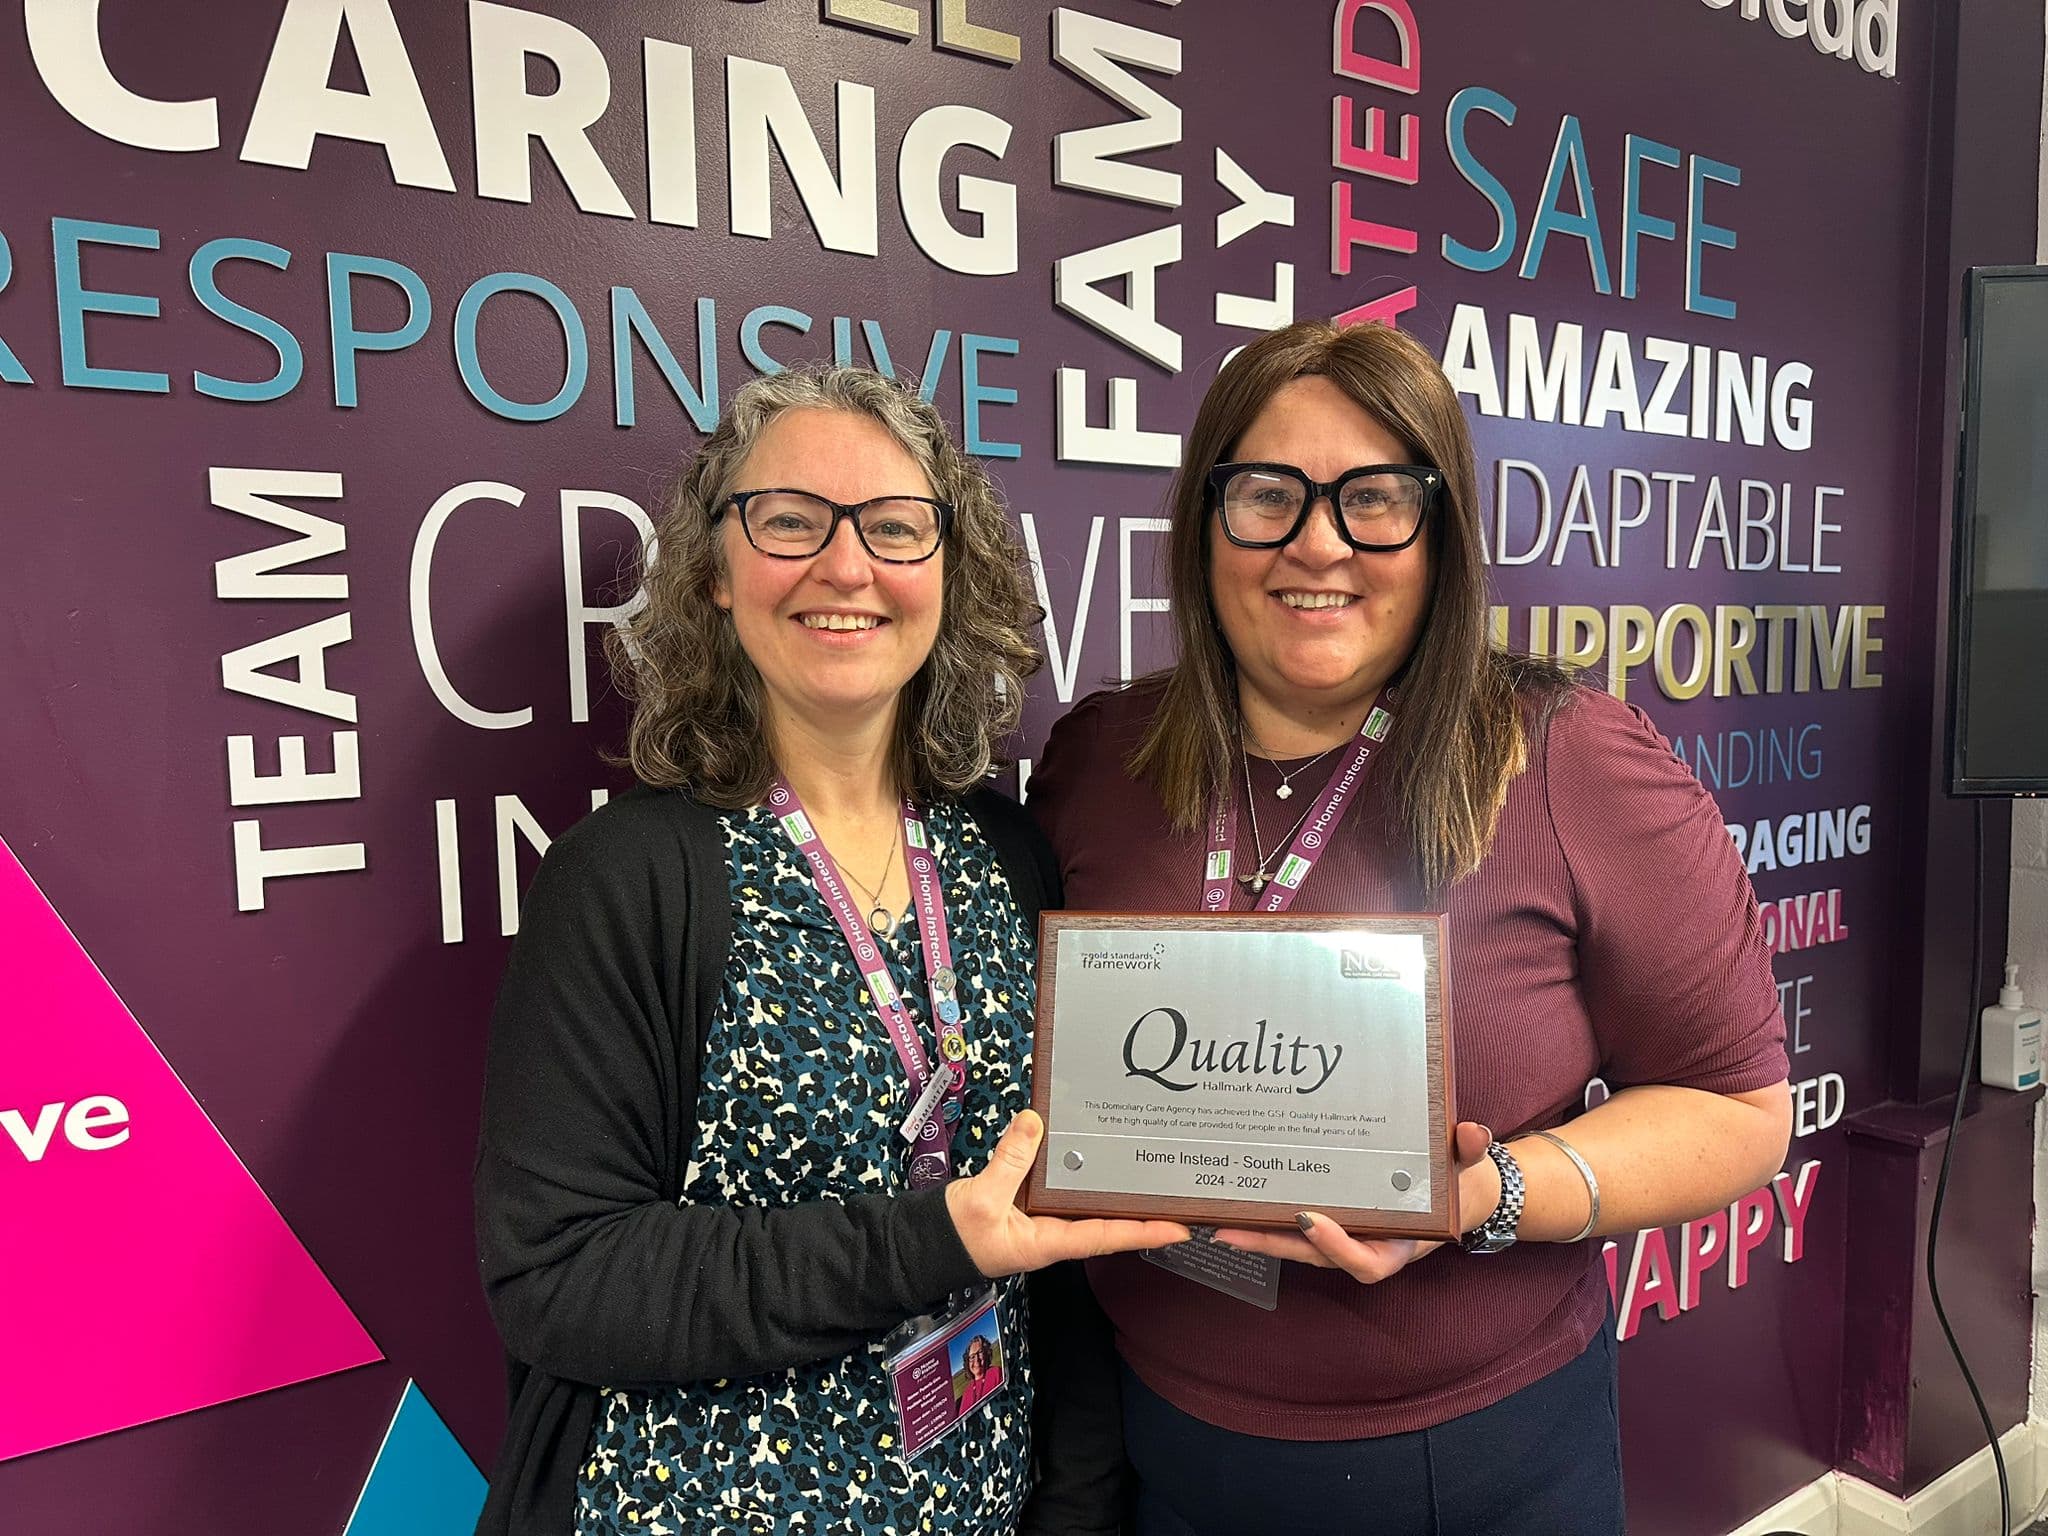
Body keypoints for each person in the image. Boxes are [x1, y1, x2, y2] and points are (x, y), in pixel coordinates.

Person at [1027, 319, 1793, 1535]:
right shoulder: (1096, 757)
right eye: (1267, 494)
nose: (1316, 543)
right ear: (1204, 519)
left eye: (1374, 498)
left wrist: (1489, 1194)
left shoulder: (1563, 758)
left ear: (1438, 533)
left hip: (1467, 1462)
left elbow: (1738, 1111)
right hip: (1152, 1434)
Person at [473, 365, 1185, 1536]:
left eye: (895, 527)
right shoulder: (630, 880)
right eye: (789, 521)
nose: (844, 568)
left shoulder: (1008, 857)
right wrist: (933, 1238)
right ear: (713, 571)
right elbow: (559, 1279)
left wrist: (1073, 1503)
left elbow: (1059, 1257)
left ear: (949, 573)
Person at [956, 1333, 1001, 1414]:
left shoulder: (996, 1373)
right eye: (972, 1357)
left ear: (986, 1353)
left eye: (980, 1352)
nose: (976, 1360)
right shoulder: (967, 1393)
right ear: (967, 1362)